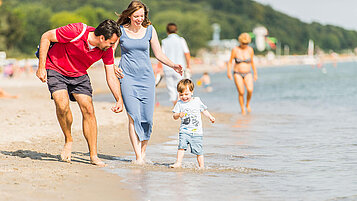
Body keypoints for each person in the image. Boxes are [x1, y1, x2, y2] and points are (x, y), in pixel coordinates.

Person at [36, 19, 124, 167]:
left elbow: (110, 74)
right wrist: (41, 67)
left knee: (88, 109)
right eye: (111, 42)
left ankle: (93, 156)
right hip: (56, 68)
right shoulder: (76, 31)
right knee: (62, 105)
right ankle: (68, 139)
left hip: (79, 74)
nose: (112, 46)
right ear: (102, 38)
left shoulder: (106, 50)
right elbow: (46, 36)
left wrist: (119, 99)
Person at [115, 1, 183, 164]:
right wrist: (113, 67)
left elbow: (158, 53)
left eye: (142, 16)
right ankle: (138, 156)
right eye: (136, 16)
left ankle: (143, 152)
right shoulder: (121, 31)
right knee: (133, 116)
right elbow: (109, 52)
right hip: (127, 78)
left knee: (147, 118)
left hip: (146, 78)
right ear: (129, 15)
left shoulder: (150, 31)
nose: (139, 19)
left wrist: (173, 65)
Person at [170, 79, 215, 169]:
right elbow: (174, 116)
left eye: (186, 94)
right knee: (181, 147)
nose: (184, 97)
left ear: (192, 92)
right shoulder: (179, 103)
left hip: (197, 132)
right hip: (184, 131)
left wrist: (210, 117)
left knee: (199, 151)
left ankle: (201, 166)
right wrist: (178, 114)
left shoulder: (197, 101)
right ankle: (178, 162)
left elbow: (203, 110)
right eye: (181, 94)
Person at [158, 22, 191, 105]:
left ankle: (175, 104)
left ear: (167, 31)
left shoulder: (164, 41)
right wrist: (188, 65)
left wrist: (159, 67)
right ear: (176, 30)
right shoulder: (181, 40)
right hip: (180, 67)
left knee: (170, 87)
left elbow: (161, 55)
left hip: (168, 67)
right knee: (180, 86)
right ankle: (180, 104)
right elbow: (187, 53)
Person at [227, 33, 258, 115]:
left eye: (247, 43)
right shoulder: (235, 50)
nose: (245, 45)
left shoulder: (250, 50)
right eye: (243, 43)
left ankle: (247, 104)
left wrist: (255, 73)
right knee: (241, 92)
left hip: (248, 73)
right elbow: (230, 62)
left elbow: (252, 62)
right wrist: (228, 72)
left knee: (250, 90)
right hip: (237, 73)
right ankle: (242, 109)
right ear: (240, 42)